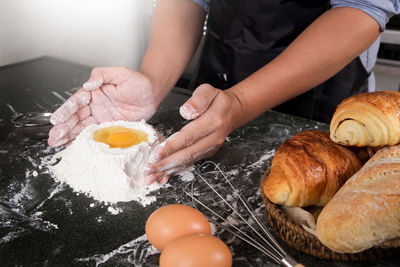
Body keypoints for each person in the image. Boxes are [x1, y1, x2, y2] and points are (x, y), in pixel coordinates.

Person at [48, 0, 399, 185]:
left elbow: (362, 9)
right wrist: (154, 80)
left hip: (315, 94)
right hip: (218, 74)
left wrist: (242, 101)